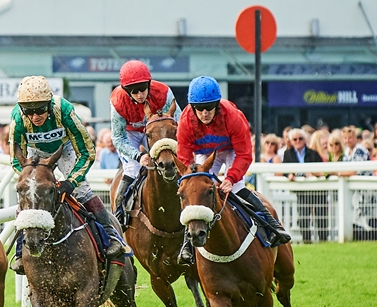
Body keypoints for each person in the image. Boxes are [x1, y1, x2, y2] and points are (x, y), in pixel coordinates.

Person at [7, 75, 124, 274]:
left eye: (40, 109)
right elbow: (17, 160)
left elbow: (87, 151)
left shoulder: (65, 111)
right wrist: (35, 179)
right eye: (29, 111)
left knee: (82, 190)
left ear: (49, 103)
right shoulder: (17, 119)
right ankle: (20, 251)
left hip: (66, 148)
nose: (35, 116)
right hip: (36, 153)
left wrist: (71, 181)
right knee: (31, 195)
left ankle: (112, 237)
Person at [176, 76, 292, 263]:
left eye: (209, 107)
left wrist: (230, 178)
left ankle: (272, 227)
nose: (204, 113)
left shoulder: (232, 116)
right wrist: (190, 178)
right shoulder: (185, 121)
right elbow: (183, 156)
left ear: (217, 105)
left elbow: (245, 154)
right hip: (205, 154)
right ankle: (187, 244)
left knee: (236, 187)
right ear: (192, 107)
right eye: (199, 109)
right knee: (196, 192)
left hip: (231, 150)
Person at [109, 60, 181, 225]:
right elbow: (118, 138)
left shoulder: (164, 93)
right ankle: (118, 218)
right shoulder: (117, 101)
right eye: (134, 91)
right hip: (131, 134)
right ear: (126, 91)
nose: (140, 95)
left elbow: (180, 122)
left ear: (149, 84)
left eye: (143, 89)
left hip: (157, 131)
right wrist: (139, 155)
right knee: (132, 169)